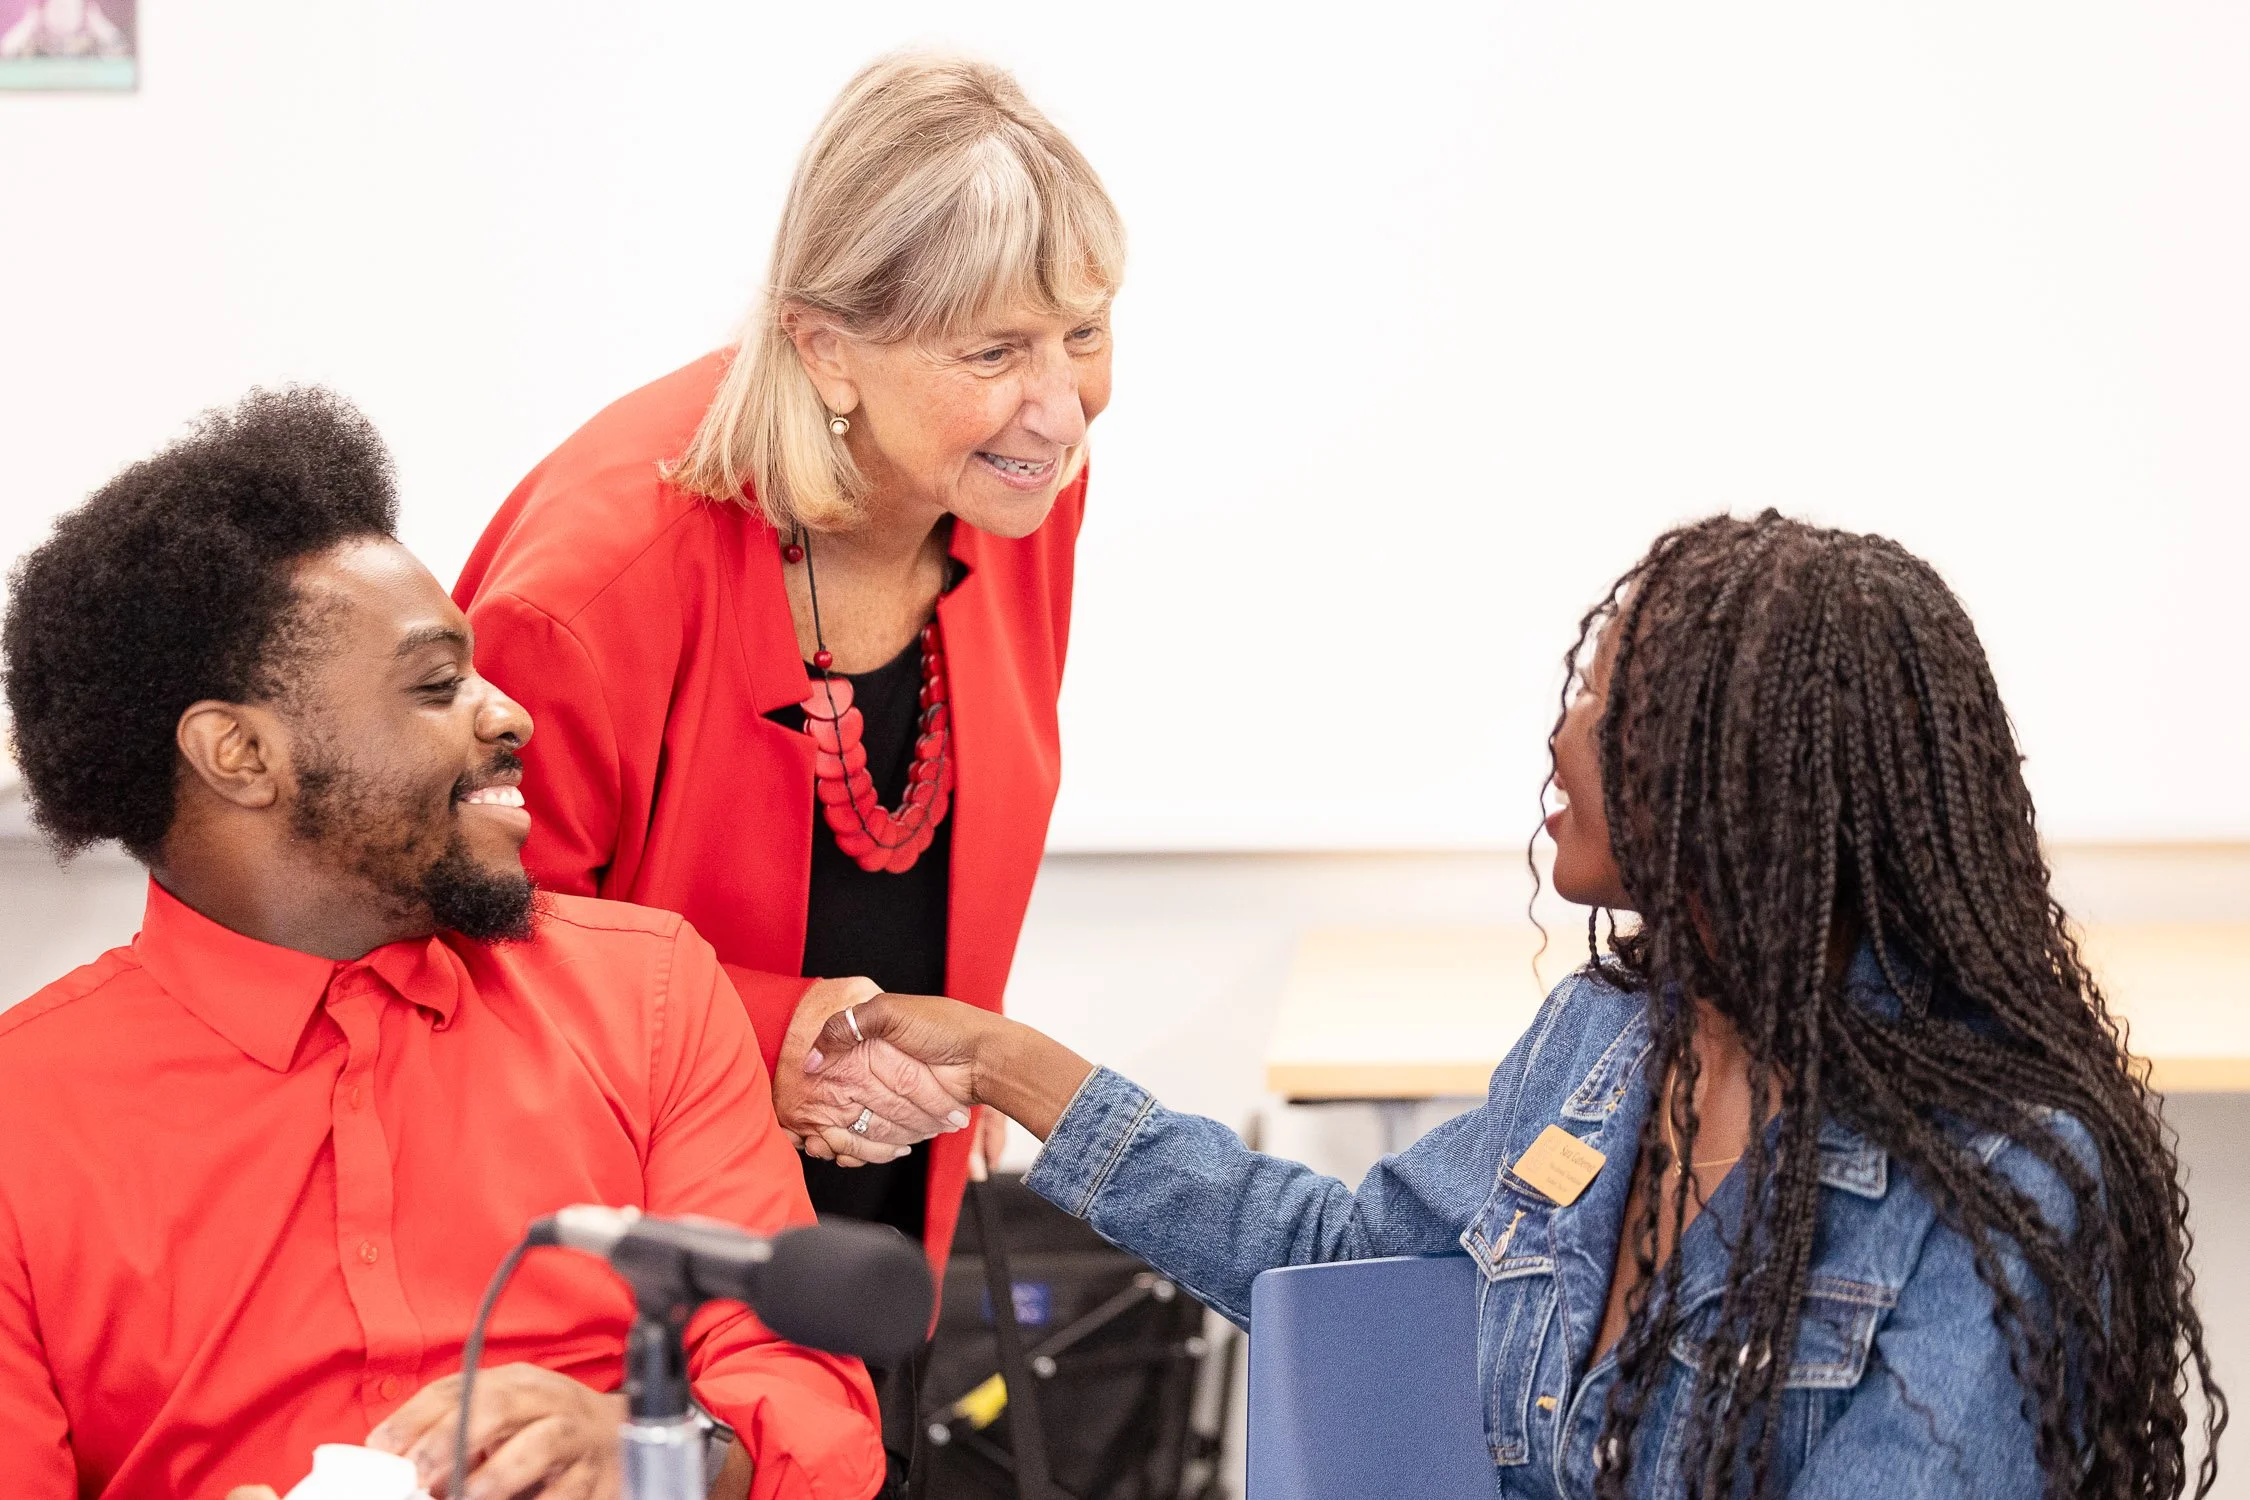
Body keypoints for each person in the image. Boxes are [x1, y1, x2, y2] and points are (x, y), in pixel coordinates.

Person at [811, 513, 2226, 1499]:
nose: (1562, 733)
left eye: (1614, 706)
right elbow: (1358, 1272)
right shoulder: (1606, 1043)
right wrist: (1005, 1062)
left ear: (1753, 779)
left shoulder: (2004, 1179)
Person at [0, 390, 889, 1499]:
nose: (509, 714)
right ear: (239, 752)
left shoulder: (647, 992)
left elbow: (815, 1410)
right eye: (437, 685)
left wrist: (652, 1447)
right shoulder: (22, 1118)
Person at [450, 52, 1121, 1486]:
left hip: (878, 1199)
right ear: (825, 348)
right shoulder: (595, 575)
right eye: (994, 351)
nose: (1061, 408)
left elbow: (923, 837)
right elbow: (461, 967)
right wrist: (767, 1039)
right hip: (621, 1245)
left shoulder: (1012, 494)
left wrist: (922, 1070)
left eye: (1084, 331)